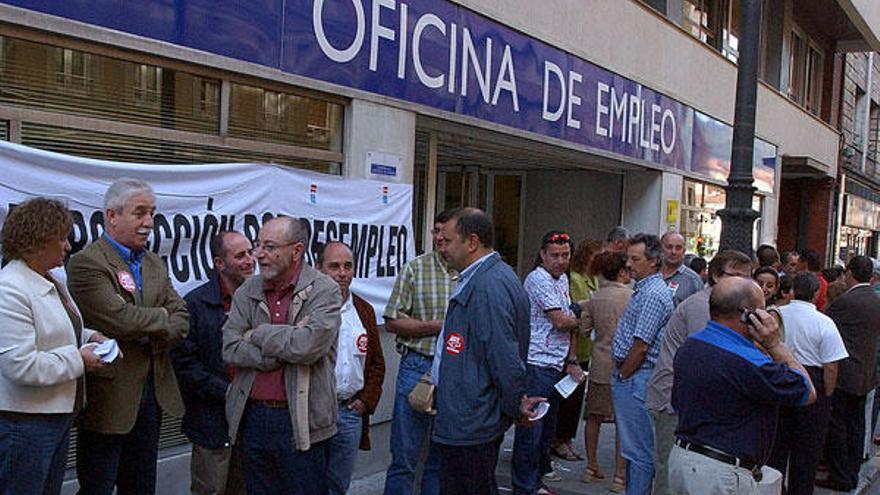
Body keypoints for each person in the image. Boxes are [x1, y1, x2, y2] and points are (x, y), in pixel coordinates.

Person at [67, 178, 189, 495]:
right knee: (98, 486)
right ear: (112, 216)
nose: (149, 222)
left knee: (141, 486)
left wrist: (150, 323)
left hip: (152, 395)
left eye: (152, 213)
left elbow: (182, 319)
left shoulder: (154, 263)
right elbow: (119, 320)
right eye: (139, 213)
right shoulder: (87, 262)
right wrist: (160, 317)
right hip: (108, 400)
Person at [222, 216, 342, 495]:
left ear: (296, 251)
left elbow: (308, 346)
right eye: (258, 245)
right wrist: (281, 347)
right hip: (252, 417)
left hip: (301, 421)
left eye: (270, 246)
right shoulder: (248, 289)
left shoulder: (324, 290)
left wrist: (258, 333)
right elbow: (229, 346)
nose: (259, 254)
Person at [431, 207, 544, 495]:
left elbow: (504, 357)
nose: (442, 247)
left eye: (448, 240)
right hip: (469, 416)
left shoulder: (487, 286)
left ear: (472, 242)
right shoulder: (489, 277)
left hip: (471, 420)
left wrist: (512, 404)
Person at [668, 277, 816, 495]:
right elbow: (806, 390)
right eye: (763, 310)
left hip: (684, 459)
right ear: (749, 315)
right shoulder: (749, 362)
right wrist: (775, 344)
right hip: (721, 472)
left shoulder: (691, 345)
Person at [0, 197, 107, 495]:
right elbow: (20, 365)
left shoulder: (50, 279)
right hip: (24, 426)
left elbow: (56, 331)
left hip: (54, 419)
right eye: (60, 238)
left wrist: (91, 337)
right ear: (36, 241)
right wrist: (80, 360)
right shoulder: (9, 290)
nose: (67, 246)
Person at [646, 249, 752, 495]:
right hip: (674, 400)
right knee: (669, 475)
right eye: (734, 276)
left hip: (691, 402)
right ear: (715, 275)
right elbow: (708, 358)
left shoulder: (725, 307)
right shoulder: (703, 306)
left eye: (746, 277)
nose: (741, 283)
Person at [171, 231, 254, 495]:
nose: (250, 260)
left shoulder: (260, 301)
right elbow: (184, 364)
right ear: (220, 264)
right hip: (211, 423)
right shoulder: (195, 304)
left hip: (252, 421)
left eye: (251, 252)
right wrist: (226, 392)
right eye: (240, 255)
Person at [383, 210, 457, 495]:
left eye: (446, 233)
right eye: (435, 230)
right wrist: (439, 327)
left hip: (455, 370)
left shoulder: (471, 273)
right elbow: (392, 321)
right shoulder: (415, 269)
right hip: (418, 367)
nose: (439, 237)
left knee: (440, 457)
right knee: (405, 454)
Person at [512, 230, 584, 495]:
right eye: (555, 255)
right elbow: (562, 321)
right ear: (542, 255)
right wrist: (583, 317)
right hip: (536, 364)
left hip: (555, 364)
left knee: (546, 430)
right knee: (531, 430)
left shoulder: (562, 278)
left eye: (565, 255)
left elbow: (568, 323)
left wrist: (571, 359)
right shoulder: (538, 279)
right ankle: (524, 486)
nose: (561, 260)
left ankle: (537, 480)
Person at [768, 272, 848, 495]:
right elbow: (831, 366)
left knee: (777, 445)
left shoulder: (775, 315)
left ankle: (774, 488)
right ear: (816, 294)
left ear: (792, 290)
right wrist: (827, 395)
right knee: (807, 451)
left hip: (779, 377)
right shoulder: (824, 322)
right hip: (812, 380)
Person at [317, 241, 386, 495]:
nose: (342, 273)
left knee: (338, 485)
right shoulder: (306, 308)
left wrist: (366, 401)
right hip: (315, 413)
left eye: (348, 266)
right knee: (308, 482)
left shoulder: (364, 310)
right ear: (319, 269)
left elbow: (377, 363)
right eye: (334, 266)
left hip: (349, 414)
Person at [611, 233, 673, 494]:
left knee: (638, 451)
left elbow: (641, 345)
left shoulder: (652, 295)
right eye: (628, 259)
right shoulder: (647, 290)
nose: (629, 264)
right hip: (635, 375)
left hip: (637, 377)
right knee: (635, 448)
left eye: (636, 259)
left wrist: (624, 375)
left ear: (653, 262)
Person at [818, 256, 880, 492]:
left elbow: (825, 325)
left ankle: (841, 475)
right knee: (856, 426)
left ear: (850, 273)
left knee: (838, 426)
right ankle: (850, 471)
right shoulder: (874, 300)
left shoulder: (846, 301)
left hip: (846, 374)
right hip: (865, 373)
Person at [579, 250, 633, 493]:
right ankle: (619, 476)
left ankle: (591, 466)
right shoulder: (633, 296)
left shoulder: (595, 297)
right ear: (622, 271)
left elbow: (583, 328)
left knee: (594, 417)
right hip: (625, 364)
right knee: (623, 422)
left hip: (600, 360)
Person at [551, 239, 601, 462]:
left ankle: (566, 439)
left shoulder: (592, 279)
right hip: (572, 347)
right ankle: (559, 440)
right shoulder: (574, 279)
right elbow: (572, 310)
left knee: (575, 400)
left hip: (585, 347)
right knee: (566, 399)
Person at [659, 231, 703, 307]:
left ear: (684, 251)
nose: (673, 252)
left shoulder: (693, 280)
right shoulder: (651, 273)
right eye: (669, 247)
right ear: (661, 249)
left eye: (678, 248)